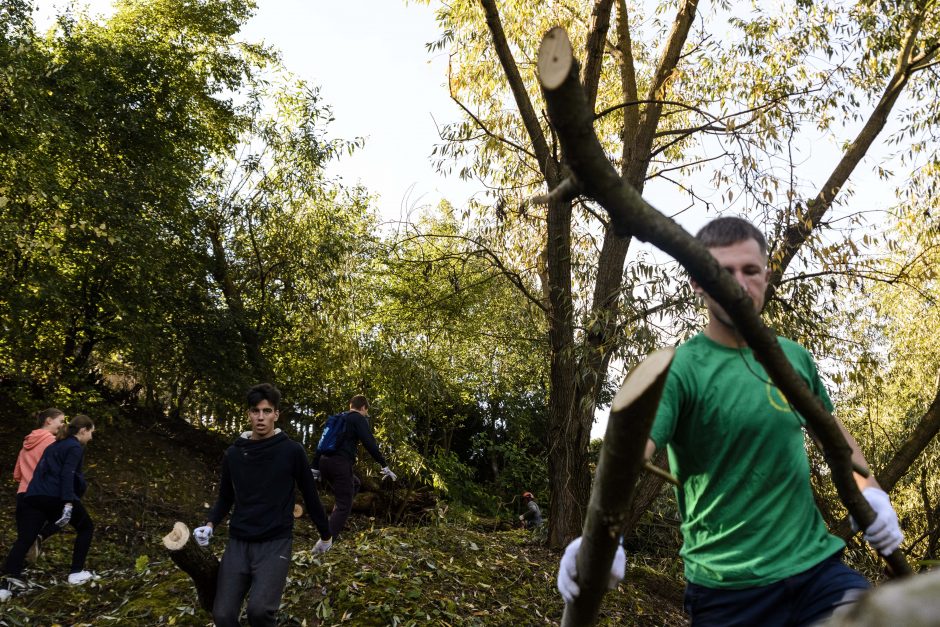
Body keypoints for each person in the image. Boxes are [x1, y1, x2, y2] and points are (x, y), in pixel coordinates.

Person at [557, 217, 904, 625]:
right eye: (722, 272)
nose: (738, 283)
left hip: (817, 572)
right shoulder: (680, 369)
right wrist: (598, 539)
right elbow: (631, 454)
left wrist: (872, 493)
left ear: (765, 277)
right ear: (697, 283)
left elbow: (832, 432)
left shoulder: (793, 358)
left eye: (750, 270)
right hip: (727, 593)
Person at [193, 383, 333, 627]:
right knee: (223, 615)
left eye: (267, 411)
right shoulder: (234, 455)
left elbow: (311, 495)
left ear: (276, 415)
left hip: (274, 542)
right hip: (238, 542)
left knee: (259, 611)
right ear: (248, 414)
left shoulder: (292, 451)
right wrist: (210, 524)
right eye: (255, 411)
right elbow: (226, 497)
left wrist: (325, 535)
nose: (261, 417)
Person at [1, 414, 97, 602]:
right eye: (91, 433)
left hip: (33, 495)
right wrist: (68, 501)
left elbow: (37, 471)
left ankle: (4, 587)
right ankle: (76, 572)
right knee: (86, 527)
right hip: (56, 494)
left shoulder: (54, 445)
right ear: (83, 430)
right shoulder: (74, 446)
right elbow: (67, 473)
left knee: (24, 539)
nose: (91, 437)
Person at [311, 394, 397, 541]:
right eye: (366, 411)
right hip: (339, 464)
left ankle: (333, 521)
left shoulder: (339, 418)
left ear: (351, 405)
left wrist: (315, 466)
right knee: (344, 505)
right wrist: (384, 465)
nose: (366, 414)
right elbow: (370, 443)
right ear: (363, 407)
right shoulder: (358, 418)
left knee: (354, 483)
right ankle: (325, 542)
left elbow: (322, 441)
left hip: (324, 462)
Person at [13, 408, 66, 563]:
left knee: (23, 541)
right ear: (49, 420)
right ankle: (41, 536)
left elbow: (17, 474)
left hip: (23, 493)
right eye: (61, 421)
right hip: (41, 493)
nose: (63, 425)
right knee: (66, 514)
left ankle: (11, 579)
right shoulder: (52, 442)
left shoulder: (25, 443)